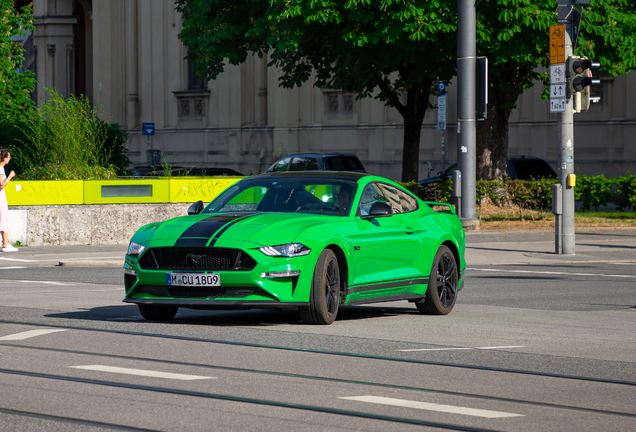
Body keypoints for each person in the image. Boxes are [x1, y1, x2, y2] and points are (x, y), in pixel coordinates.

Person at [0, 149, 17, 252]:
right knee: (3, 218)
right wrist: (10, 176)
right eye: (9, 157)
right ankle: (5, 245)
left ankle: (6, 244)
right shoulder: (1, 169)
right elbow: (2, 184)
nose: (10, 159)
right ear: (5, 158)